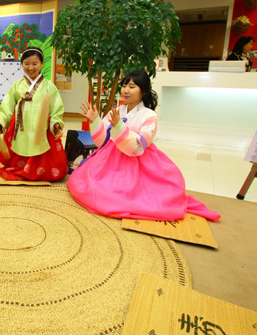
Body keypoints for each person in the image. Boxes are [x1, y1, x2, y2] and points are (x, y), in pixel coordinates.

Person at [67, 70, 220, 222]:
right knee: (86, 185)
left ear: (144, 91)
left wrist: (120, 127)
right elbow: (103, 142)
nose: (126, 90)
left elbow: (138, 148)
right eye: (124, 85)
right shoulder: (118, 111)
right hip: (110, 158)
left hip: (137, 162)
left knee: (131, 198)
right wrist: (95, 121)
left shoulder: (149, 116)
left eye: (132, 87)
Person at [0, 47, 67, 181]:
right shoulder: (16, 86)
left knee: (46, 157)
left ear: (42, 63)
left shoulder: (50, 87)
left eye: (35, 63)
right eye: (26, 64)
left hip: (42, 129)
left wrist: (56, 124)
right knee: (20, 149)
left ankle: (38, 170)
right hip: (22, 128)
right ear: (22, 64)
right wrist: (0, 121)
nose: (30, 67)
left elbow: (56, 109)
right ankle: (24, 168)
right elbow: (6, 107)